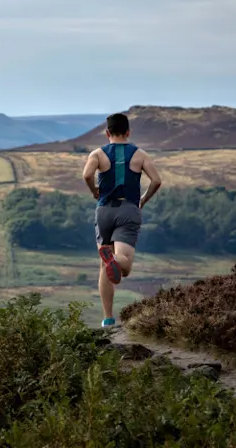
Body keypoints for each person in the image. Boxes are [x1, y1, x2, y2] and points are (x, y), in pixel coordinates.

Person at [81, 112, 162, 328]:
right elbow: (156, 181)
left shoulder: (97, 154)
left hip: (104, 210)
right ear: (128, 132)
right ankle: (114, 260)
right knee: (123, 266)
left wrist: (94, 191)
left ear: (107, 133)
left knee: (104, 267)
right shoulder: (140, 154)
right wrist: (143, 199)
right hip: (128, 209)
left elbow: (87, 175)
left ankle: (108, 319)